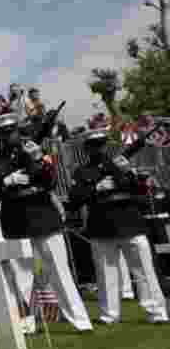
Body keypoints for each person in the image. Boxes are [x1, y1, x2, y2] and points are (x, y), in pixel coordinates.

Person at [0, 112, 92, 332]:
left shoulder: (34, 150)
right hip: (15, 219)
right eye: (4, 133)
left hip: (42, 215)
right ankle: (28, 322)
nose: (9, 136)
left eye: (11, 131)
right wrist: (6, 181)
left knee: (59, 270)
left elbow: (50, 181)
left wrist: (39, 158)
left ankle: (79, 319)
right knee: (22, 276)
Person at [67, 127, 167, 324]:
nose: (99, 149)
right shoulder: (82, 172)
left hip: (129, 223)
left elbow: (141, 190)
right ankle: (109, 314)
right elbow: (74, 200)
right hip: (101, 225)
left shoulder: (121, 165)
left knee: (145, 272)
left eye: (101, 145)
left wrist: (128, 172)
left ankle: (157, 312)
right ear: (87, 149)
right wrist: (96, 187)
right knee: (106, 274)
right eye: (94, 146)